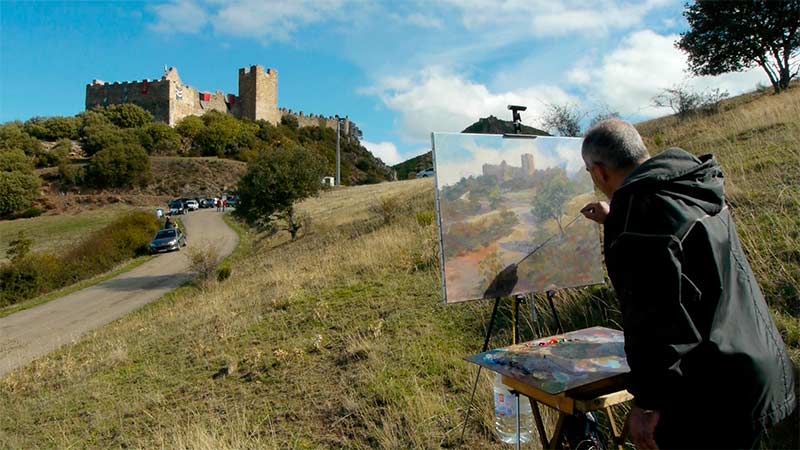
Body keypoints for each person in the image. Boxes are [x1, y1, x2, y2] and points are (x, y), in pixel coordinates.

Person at [579, 119, 796, 449]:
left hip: (710, 391)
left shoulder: (639, 219)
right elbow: (685, 250)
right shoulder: (690, 186)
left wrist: (647, 404)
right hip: (754, 364)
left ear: (598, 172)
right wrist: (616, 218)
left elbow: (656, 323)